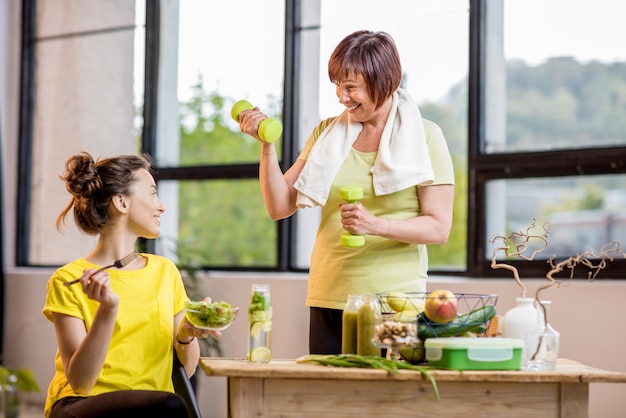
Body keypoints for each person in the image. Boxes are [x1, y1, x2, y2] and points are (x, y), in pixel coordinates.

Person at [238, 30, 455, 354]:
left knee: (383, 401)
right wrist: (267, 147)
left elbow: (439, 228)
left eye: (351, 87)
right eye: (338, 86)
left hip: (394, 301)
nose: (342, 96)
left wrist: (376, 225)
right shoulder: (327, 134)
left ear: (385, 82)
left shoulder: (425, 136)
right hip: (330, 292)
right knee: (327, 400)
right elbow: (280, 206)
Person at [42, 152, 219, 418]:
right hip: (80, 405)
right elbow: (80, 382)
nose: (161, 206)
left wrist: (187, 333)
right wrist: (107, 309)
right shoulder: (68, 279)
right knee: (169, 406)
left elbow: (189, 368)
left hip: (153, 405)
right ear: (121, 202)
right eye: (152, 193)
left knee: (169, 404)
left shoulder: (165, 271)